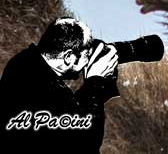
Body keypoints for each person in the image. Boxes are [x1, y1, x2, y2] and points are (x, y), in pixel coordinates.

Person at [0, 18, 118, 151]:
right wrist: (95, 81)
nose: (87, 61)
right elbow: (87, 142)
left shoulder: (22, 62)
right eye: (87, 55)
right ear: (68, 57)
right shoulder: (49, 90)